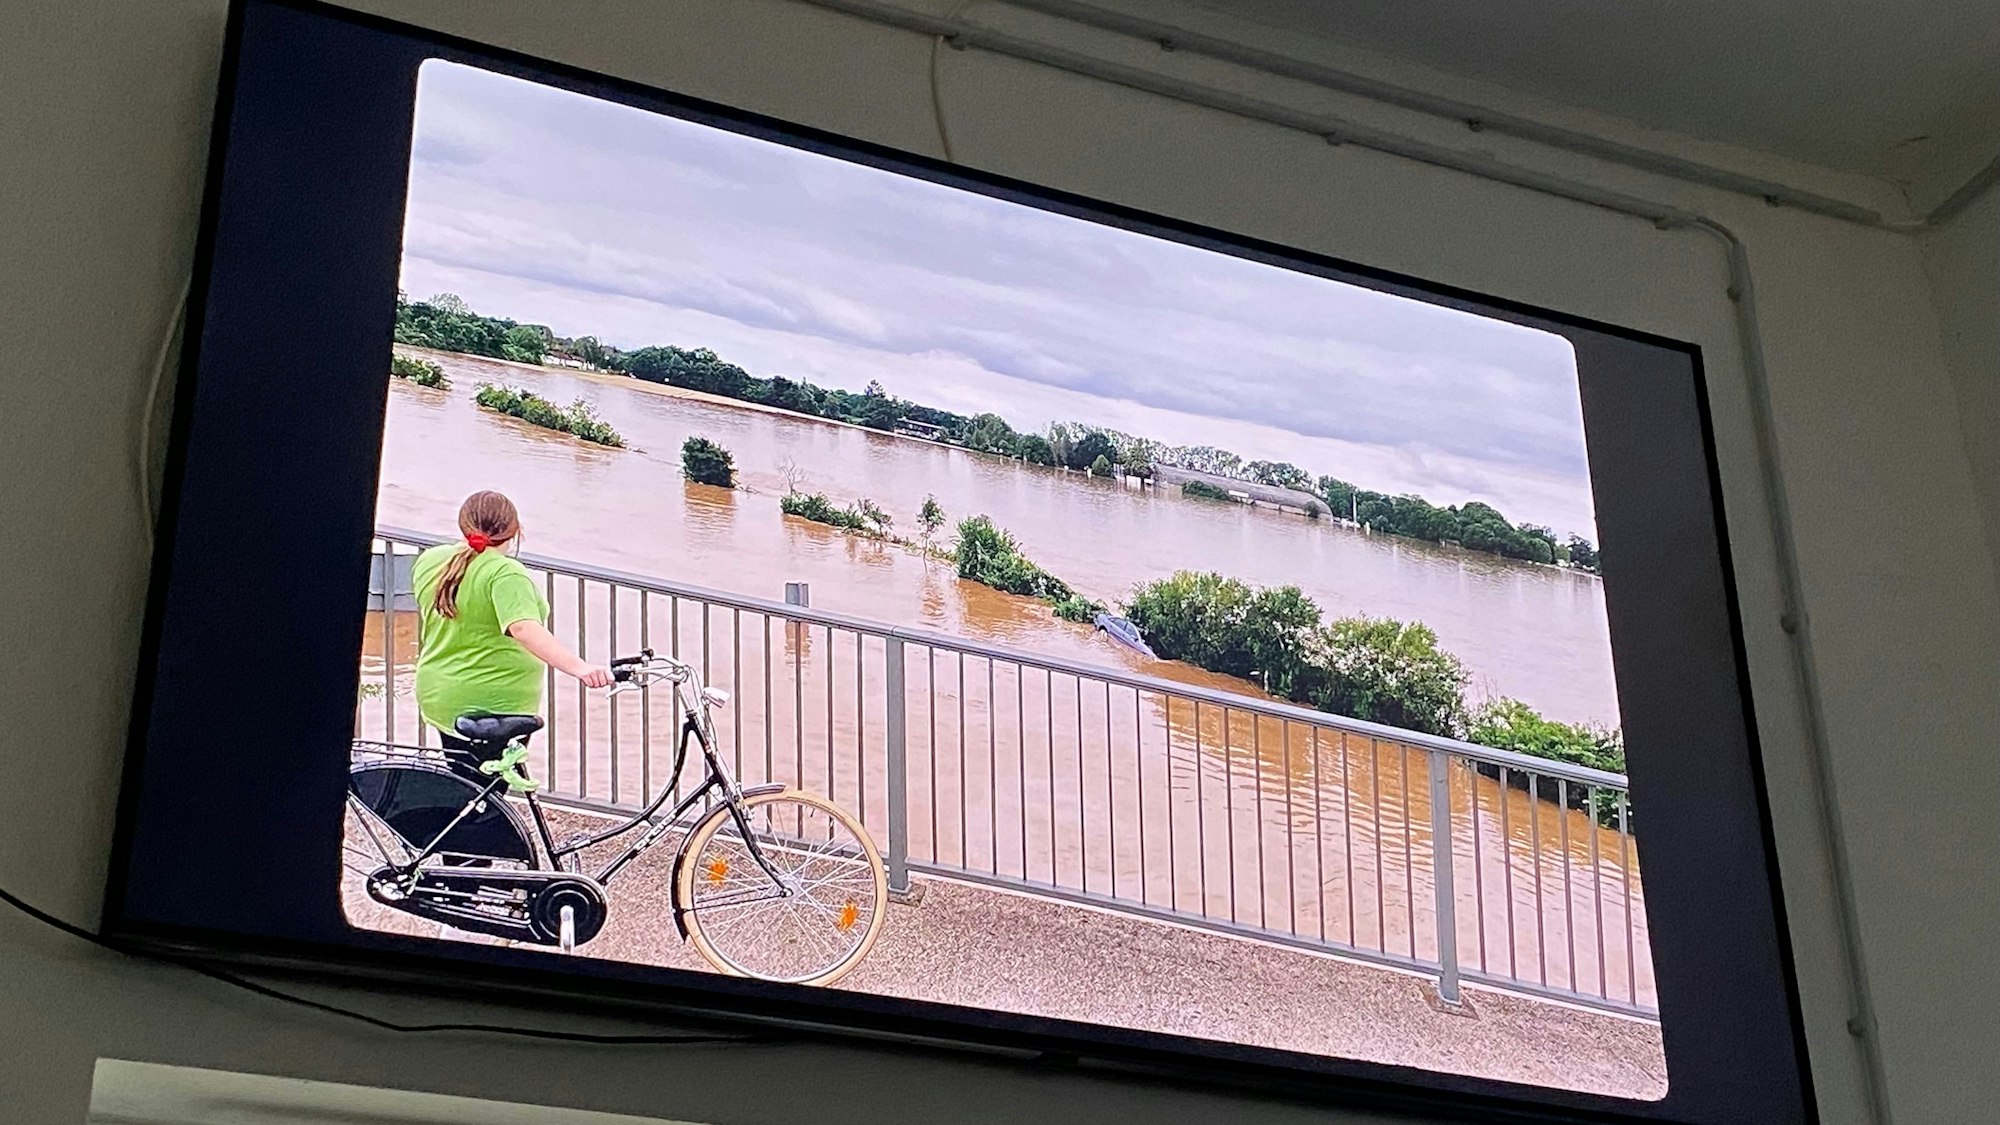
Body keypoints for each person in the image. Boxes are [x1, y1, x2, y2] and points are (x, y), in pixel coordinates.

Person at [411, 490, 610, 782]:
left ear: (463, 524)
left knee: (467, 790)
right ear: (515, 531)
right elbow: (523, 629)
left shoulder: (433, 560)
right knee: (486, 806)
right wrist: (581, 668)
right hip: (490, 702)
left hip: (440, 691)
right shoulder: (505, 573)